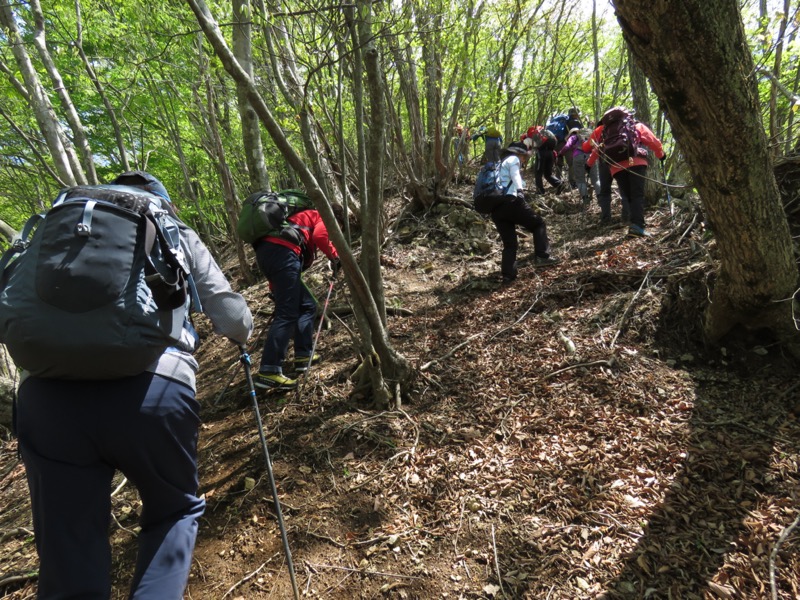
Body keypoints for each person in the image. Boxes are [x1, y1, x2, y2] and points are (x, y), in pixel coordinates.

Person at [15, 171, 254, 599]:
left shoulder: (52, 228)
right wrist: (243, 338)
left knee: (69, 544)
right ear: (158, 198)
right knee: (173, 512)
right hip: (152, 394)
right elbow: (232, 317)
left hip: (47, 401)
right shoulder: (166, 224)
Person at [254, 196, 340, 390]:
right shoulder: (322, 216)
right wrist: (336, 257)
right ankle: (269, 370)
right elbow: (320, 237)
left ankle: (303, 355)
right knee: (287, 313)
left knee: (307, 305)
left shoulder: (297, 219)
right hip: (283, 255)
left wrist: (275, 288)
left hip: (270, 254)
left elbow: (275, 257)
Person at [488, 141, 560, 284]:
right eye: (524, 156)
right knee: (538, 224)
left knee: (509, 243)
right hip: (511, 202)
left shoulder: (499, 164)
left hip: (496, 208)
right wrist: (520, 191)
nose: (524, 160)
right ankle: (542, 256)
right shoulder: (513, 159)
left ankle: (508, 275)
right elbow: (515, 176)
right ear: (519, 153)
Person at [586, 109, 666, 237]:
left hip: (616, 167)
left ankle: (633, 224)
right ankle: (637, 226)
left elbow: (597, 149)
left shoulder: (605, 131)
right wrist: (661, 155)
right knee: (637, 195)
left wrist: (588, 164)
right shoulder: (634, 126)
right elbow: (653, 141)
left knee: (628, 196)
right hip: (636, 162)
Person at [582, 124, 631, 224]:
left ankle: (606, 218)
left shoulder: (600, 129)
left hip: (605, 162)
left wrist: (589, 163)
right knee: (624, 190)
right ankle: (627, 217)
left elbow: (590, 148)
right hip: (621, 162)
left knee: (605, 191)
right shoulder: (624, 126)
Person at [559, 127, 591, 207]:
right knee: (595, 179)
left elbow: (567, 146)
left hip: (578, 157)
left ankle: (585, 199)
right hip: (590, 156)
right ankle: (600, 198)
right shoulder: (586, 136)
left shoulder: (573, 137)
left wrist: (560, 153)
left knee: (580, 180)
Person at [530, 127, 563, 194]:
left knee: (538, 173)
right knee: (548, 174)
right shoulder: (546, 134)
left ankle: (540, 191)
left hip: (541, 153)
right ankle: (559, 184)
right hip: (551, 153)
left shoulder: (534, 136)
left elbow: (532, 145)